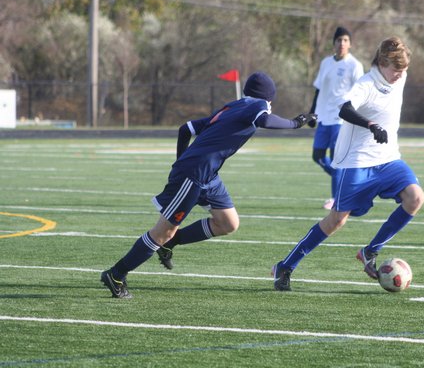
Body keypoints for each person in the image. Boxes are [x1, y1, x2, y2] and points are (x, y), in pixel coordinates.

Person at [101, 71, 316, 298]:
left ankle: (172, 242)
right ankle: (116, 274)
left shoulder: (232, 107)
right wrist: (296, 122)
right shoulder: (258, 106)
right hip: (194, 174)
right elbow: (264, 119)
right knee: (162, 231)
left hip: (207, 175)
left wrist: (180, 159)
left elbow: (186, 129)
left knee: (228, 222)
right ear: (268, 98)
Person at [272, 37, 424, 291]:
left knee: (416, 198)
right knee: (336, 220)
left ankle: (370, 251)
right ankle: (285, 266)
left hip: (388, 159)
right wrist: (370, 124)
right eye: (397, 70)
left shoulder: (400, 75)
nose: (401, 75)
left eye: (404, 70)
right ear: (383, 63)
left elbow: (399, 59)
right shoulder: (365, 84)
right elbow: (345, 109)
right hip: (356, 163)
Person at [308, 26, 364, 210]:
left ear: (350, 44)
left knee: (336, 159)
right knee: (317, 156)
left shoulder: (354, 66)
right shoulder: (326, 62)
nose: (342, 43)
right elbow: (318, 89)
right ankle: (347, 184)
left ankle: (336, 199)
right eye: (339, 40)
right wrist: (312, 113)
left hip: (341, 120)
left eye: (345, 40)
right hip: (323, 117)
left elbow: (361, 93)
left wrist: (358, 118)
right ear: (334, 43)